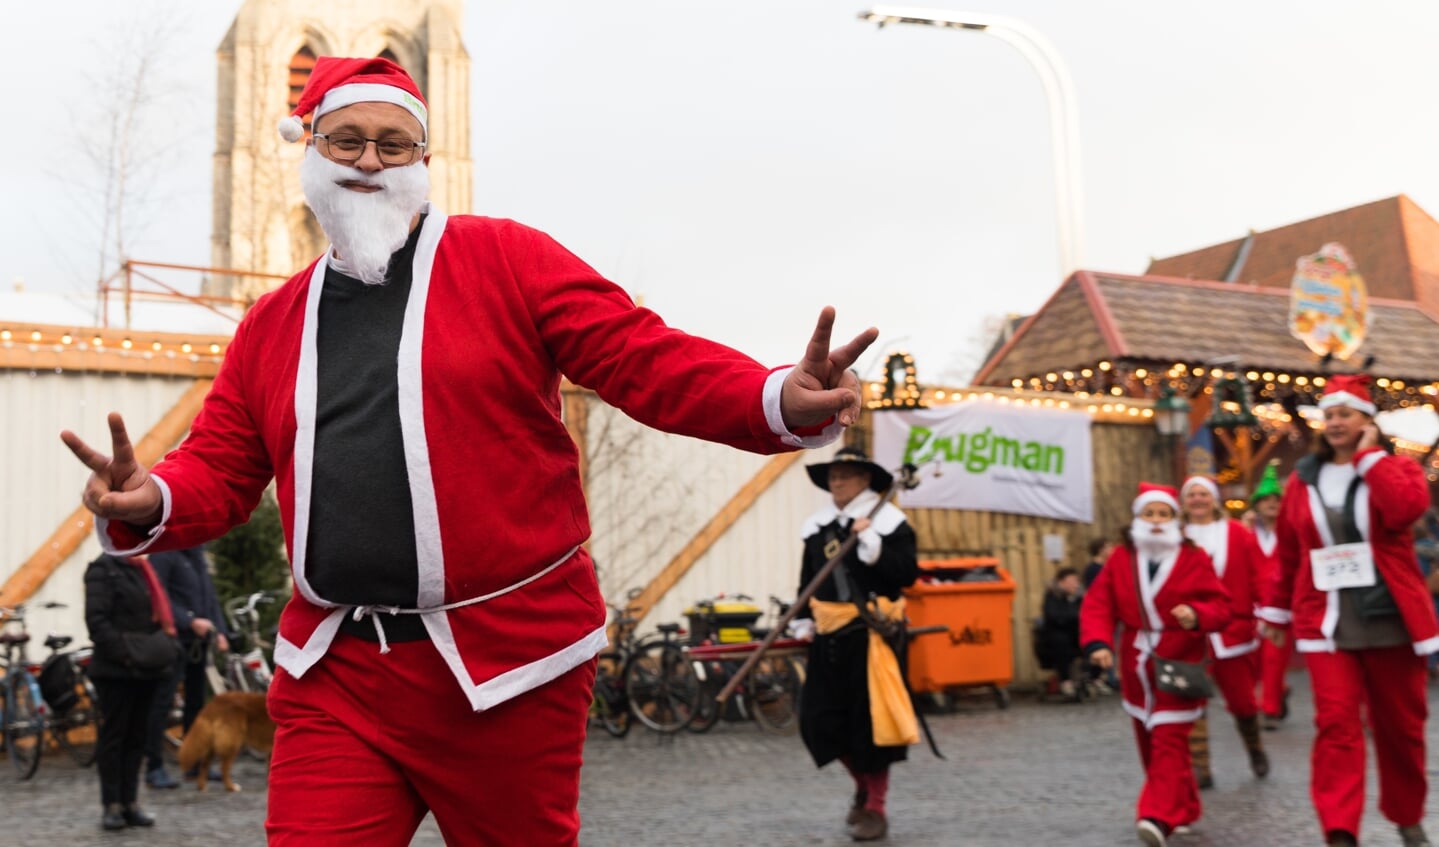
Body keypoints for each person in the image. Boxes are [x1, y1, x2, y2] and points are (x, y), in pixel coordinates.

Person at [59, 56, 876, 846]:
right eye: (346, 140)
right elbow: (223, 465)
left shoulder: (507, 260)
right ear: (308, 148)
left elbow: (643, 357)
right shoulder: (271, 323)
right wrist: (153, 499)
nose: (369, 160)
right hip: (335, 669)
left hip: (510, 662)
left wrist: (772, 397)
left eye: (393, 143)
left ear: (423, 159)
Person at [1257, 374, 1439, 847]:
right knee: (1336, 725)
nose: (1335, 423)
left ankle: (1406, 815)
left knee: (1400, 729)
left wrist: (1370, 459)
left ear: (1368, 421)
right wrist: (1276, 614)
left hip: (1392, 620)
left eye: (1345, 414)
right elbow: (1289, 554)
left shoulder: (1395, 469)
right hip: (1327, 619)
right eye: (1329, 415)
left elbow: (1403, 510)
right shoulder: (1303, 481)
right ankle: (1340, 830)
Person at [1081, 483, 1231, 847]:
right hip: (1135, 665)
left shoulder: (1194, 558)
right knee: (1150, 742)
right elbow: (1098, 603)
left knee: (1168, 740)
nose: (1157, 521)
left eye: (1164, 514)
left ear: (1176, 520)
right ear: (1137, 519)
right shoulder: (1120, 560)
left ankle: (1156, 816)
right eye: (1150, 514)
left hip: (1179, 661)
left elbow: (1222, 606)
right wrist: (1099, 642)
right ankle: (1186, 806)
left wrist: (1196, 615)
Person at [789, 446, 918, 842]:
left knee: (870, 728)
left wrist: (873, 543)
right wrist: (801, 621)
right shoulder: (819, 527)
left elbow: (906, 575)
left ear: (865, 480)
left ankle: (876, 807)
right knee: (819, 722)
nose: (836, 481)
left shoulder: (892, 524)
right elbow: (808, 579)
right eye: (833, 475)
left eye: (845, 474)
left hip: (872, 639)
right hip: (828, 639)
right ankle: (861, 784)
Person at [1177, 475, 1269, 787]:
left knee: (1242, 700)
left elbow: (1258, 572)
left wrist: (1265, 610)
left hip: (1231, 627)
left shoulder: (1236, 534)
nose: (1198, 500)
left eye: (1204, 494)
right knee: (1192, 696)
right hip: (1188, 631)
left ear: (1214, 499)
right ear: (1184, 501)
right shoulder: (1176, 535)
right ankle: (1200, 766)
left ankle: (1254, 747)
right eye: (1192, 495)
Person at [84, 552, 179, 831]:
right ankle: (111, 804)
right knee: (114, 737)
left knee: (137, 736)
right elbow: (97, 621)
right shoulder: (103, 568)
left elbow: (156, 616)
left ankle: (130, 803)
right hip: (116, 671)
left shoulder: (142, 568)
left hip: (146, 669)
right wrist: (126, 653)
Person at [143, 545, 232, 788]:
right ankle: (154, 767)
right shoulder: (164, 553)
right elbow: (157, 595)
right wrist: (189, 621)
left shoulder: (197, 554)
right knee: (161, 703)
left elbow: (209, 597)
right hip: (172, 642)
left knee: (196, 703)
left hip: (197, 643)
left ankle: (194, 763)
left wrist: (220, 630)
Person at [1248, 463, 1295, 730]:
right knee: (1254, 660)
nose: (1272, 505)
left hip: (1281, 606)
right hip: (1253, 606)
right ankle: (1277, 692)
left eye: (1276, 500)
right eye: (1266, 500)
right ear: (1257, 505)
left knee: (1274, 657)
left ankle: (1269, 709)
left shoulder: (1290, 533)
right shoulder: (1247, 534)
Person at [1037, 566, 1087, 700]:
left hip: (1075, 634)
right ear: (1061, 582)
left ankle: (1090, 677)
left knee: (1093, 642)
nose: (1075, 584)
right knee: (1061, 643)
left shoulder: (1079, 597)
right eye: (1071, 581)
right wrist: (1073, 616)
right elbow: (1054, 617)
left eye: (1076, 581)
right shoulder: (1053, 596)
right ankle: (1065, 681)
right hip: (1055, 637)